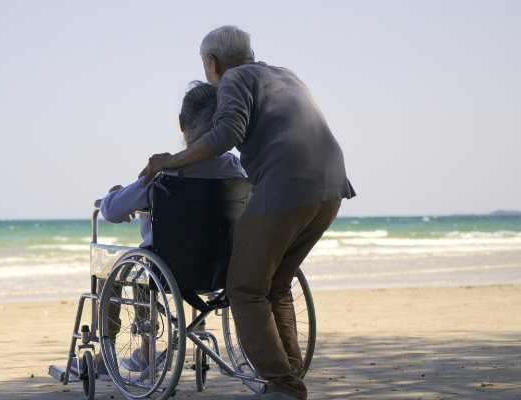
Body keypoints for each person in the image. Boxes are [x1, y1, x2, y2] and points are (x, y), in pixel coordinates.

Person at [139, 26, 355, 400]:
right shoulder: (286, 75)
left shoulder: (234, 78)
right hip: (330, 188)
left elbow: (226, 134)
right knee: (274, 286)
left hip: (288, 186)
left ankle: (283, 386)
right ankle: (290, 378)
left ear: (211, 62)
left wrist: (170, 161)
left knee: (243, 288)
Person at [96, 80, 246, 373]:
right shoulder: (236, 169)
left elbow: (112, 211)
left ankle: (106, 356)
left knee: (118, 267)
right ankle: (145, 352)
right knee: (147, 260)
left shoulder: (166, 172)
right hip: (221, 269)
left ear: (182, 124)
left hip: (166, 272)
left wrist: (112, 194)